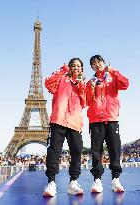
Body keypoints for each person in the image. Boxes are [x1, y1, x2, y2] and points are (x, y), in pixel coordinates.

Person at [86, 55, 129, 193]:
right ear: (91, 67)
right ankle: (97, 180)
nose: (97, 64)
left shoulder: (112, 76)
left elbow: (125, 84)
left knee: (114, 149)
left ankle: (116, 179)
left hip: (111, 118)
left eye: (99, 62)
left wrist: (113, 71)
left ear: (104, 63)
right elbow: (86, 101)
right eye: (94, 63)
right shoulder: (90, 81)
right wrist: (90, 89)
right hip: (96, 120)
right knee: (96, 151)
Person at [43, 58, 86, 197]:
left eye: (78, 66)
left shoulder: (83, 83)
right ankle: (51, 183)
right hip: (58, 120)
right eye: (73, 65)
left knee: (77, 151)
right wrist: (62, 70)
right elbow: (48, 83)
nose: (76, 68)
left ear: (82, 69)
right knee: (54, 151)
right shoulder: (61, 79)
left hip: (75, 122)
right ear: (69, 67)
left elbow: (85, 101)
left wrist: (80, 84)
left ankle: (73, 182)